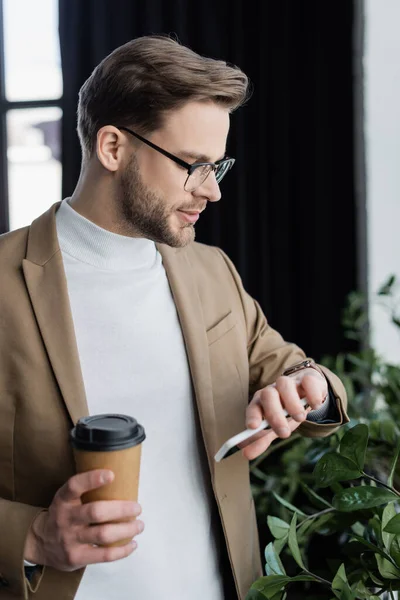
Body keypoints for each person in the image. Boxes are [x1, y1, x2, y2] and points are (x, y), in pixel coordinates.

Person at [0, 35, 349, 600]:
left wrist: (308, 388)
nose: (212, 191)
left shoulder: (211, 271)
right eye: (192, 165)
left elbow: (302, 373)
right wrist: (32, 537)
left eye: (218, 166)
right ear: (113, 147)